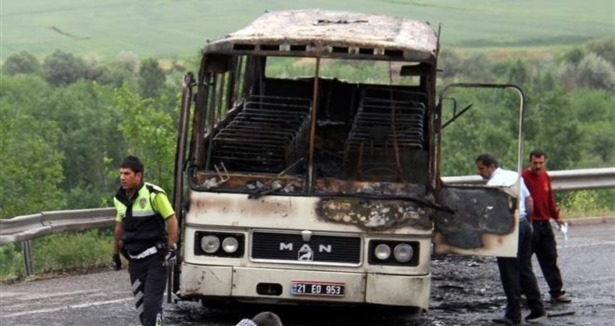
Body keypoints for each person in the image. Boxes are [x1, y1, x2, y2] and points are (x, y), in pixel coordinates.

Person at [475, 153, 546, 324]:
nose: (480, 173)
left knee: (509, 271)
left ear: (491, 166)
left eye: (481, 168)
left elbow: (489, 211)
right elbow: (529, 201)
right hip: (523, 224)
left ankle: (513, 313)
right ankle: (537, 308)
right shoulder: (515, 175)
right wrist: (528, 223)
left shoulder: (494, 183)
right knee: (524, 269)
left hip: (508, 228)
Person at [111, 155, 179, 326]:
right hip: (134, 262)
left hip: (156, 260)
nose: (122, 177)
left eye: (127, 174)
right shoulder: (119, 198)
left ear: (138, 175)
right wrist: (115, 255)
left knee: (151, 308)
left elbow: (172, 220)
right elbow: (119, 228)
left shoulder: (153, 194)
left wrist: (172, 249)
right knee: (143, 313)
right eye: (121, 173)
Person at [521, 149, 572, 303]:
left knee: (550, 258)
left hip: (544, 225)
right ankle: (524, 292)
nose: (538, 166)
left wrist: (556, 217)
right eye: (535, 163)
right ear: (530, 162)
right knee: (524, 261)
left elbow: (550, 200)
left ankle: (556, 292)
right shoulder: (523, 177)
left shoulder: (545, 177)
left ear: (545, 162)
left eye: (540, 163)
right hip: (530, 224)